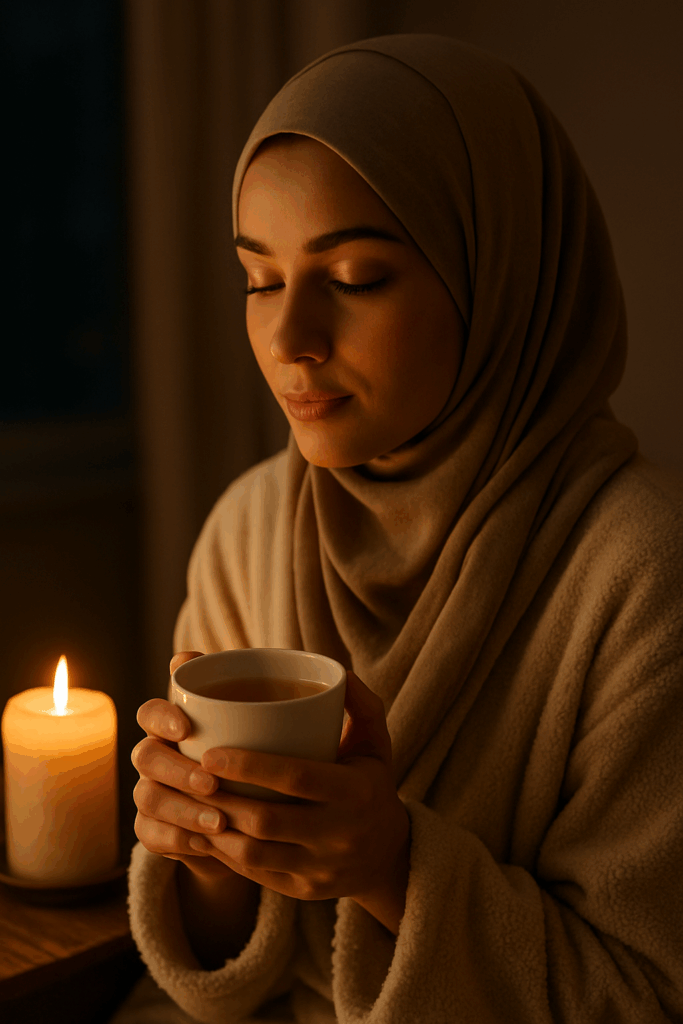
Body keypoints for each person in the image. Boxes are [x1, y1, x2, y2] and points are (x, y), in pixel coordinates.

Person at [118, 33, 683, 1024]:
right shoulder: (250, 524)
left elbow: (641, 991)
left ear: (499, 274)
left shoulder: (638, 570)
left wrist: (391, 869)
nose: (287, 338)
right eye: (259, 279)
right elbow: (224, 964)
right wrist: (200, 846)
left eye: (355, 277)